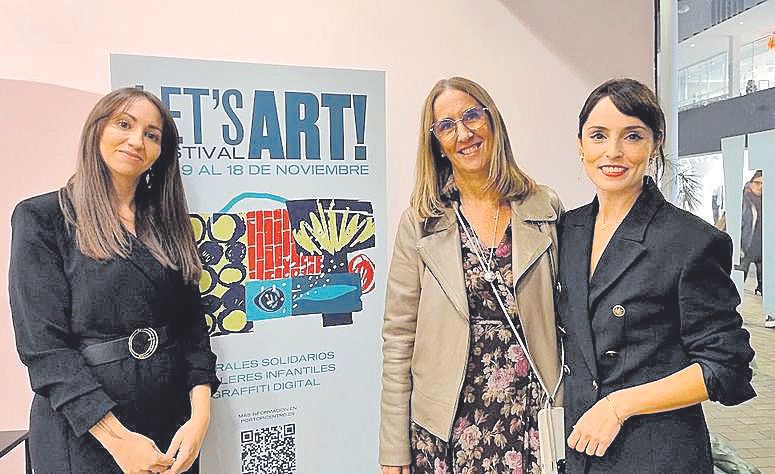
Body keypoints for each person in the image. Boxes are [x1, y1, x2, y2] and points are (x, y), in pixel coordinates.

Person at [9, 87, 220, 473]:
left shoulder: (168, 224)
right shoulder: (42, 219)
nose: (137, 140)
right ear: (97, 130)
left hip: (171, 423)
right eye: (124, 124)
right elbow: (45, 352)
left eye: (152, 134)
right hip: (84, 427)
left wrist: (200, 417)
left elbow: (192, 327)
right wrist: (118, 441)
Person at [558, 78, 756, 473]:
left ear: (655, 144)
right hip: (581, 448)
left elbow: (726, 365)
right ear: (581, 144)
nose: (612, 151)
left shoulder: (691, 240)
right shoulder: (567, 231)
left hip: (656, 451)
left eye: (632, 136)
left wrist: (620, 404)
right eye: (598, 135)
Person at [379, 77, 564, 474]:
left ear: (491, 120)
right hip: (447, 423)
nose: (464, 133)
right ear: (436, 143)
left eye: (471, 116)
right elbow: (398, 338)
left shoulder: (544, 206)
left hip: (531, 415)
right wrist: (393, 453)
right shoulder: (421, 222)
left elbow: (567, 317)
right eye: (447, 126)